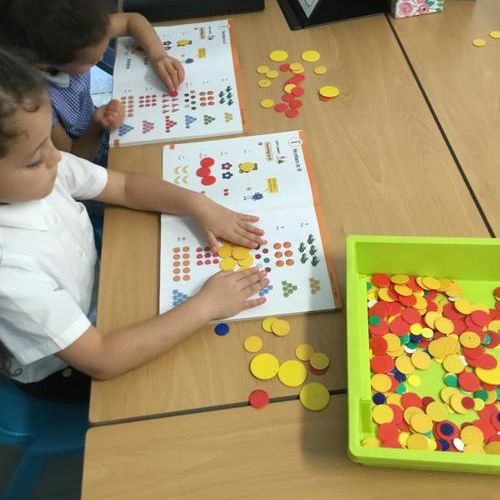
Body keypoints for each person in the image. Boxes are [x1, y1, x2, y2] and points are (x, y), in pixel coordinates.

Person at [0, 48, 267, 401]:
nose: (57, 157)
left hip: (100, 293)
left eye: (49, 139)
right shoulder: (9, 272)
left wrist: (197, 204)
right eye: (36, 158)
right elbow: (102, 359)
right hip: (69, 366)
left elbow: (124, 186)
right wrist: (207, 306)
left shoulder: (42, 171)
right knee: (202, 382)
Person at [0, 0, 185, 165]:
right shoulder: (34, 101)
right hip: (87, 158)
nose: (101, 58)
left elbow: (132, 20)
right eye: (91, 62)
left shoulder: (82, 33)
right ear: (48, 62)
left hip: (100, 129)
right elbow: (75, 159)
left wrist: (158, 55)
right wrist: (96, 126)